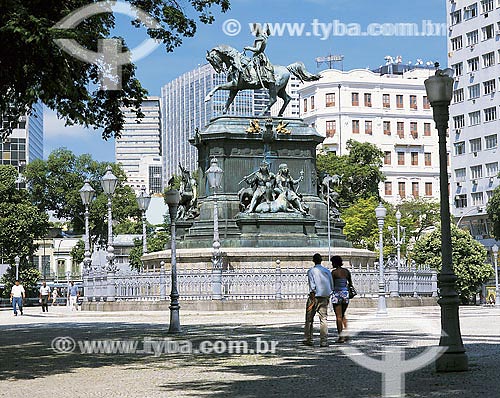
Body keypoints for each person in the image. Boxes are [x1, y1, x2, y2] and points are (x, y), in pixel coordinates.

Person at [303, 253, 334, 347]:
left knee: (309, 319)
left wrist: (312, 300)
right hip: (324, 297)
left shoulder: (311, 271)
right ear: (321, 260)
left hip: (314, 296)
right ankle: (324, 341)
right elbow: (331, 284)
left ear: (313, 260)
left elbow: (312, 285)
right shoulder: (327, 271)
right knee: (323, 318)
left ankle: (309, 339)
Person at [330, 255, 354, 343]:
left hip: (337, 294)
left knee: (338, 316)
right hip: (345, 294)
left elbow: (331, 284)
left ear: (335, 263)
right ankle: (346, 334)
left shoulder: (334, 272)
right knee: (343, 314)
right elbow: (350, 283)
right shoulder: (346, 271)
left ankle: (341, 336)